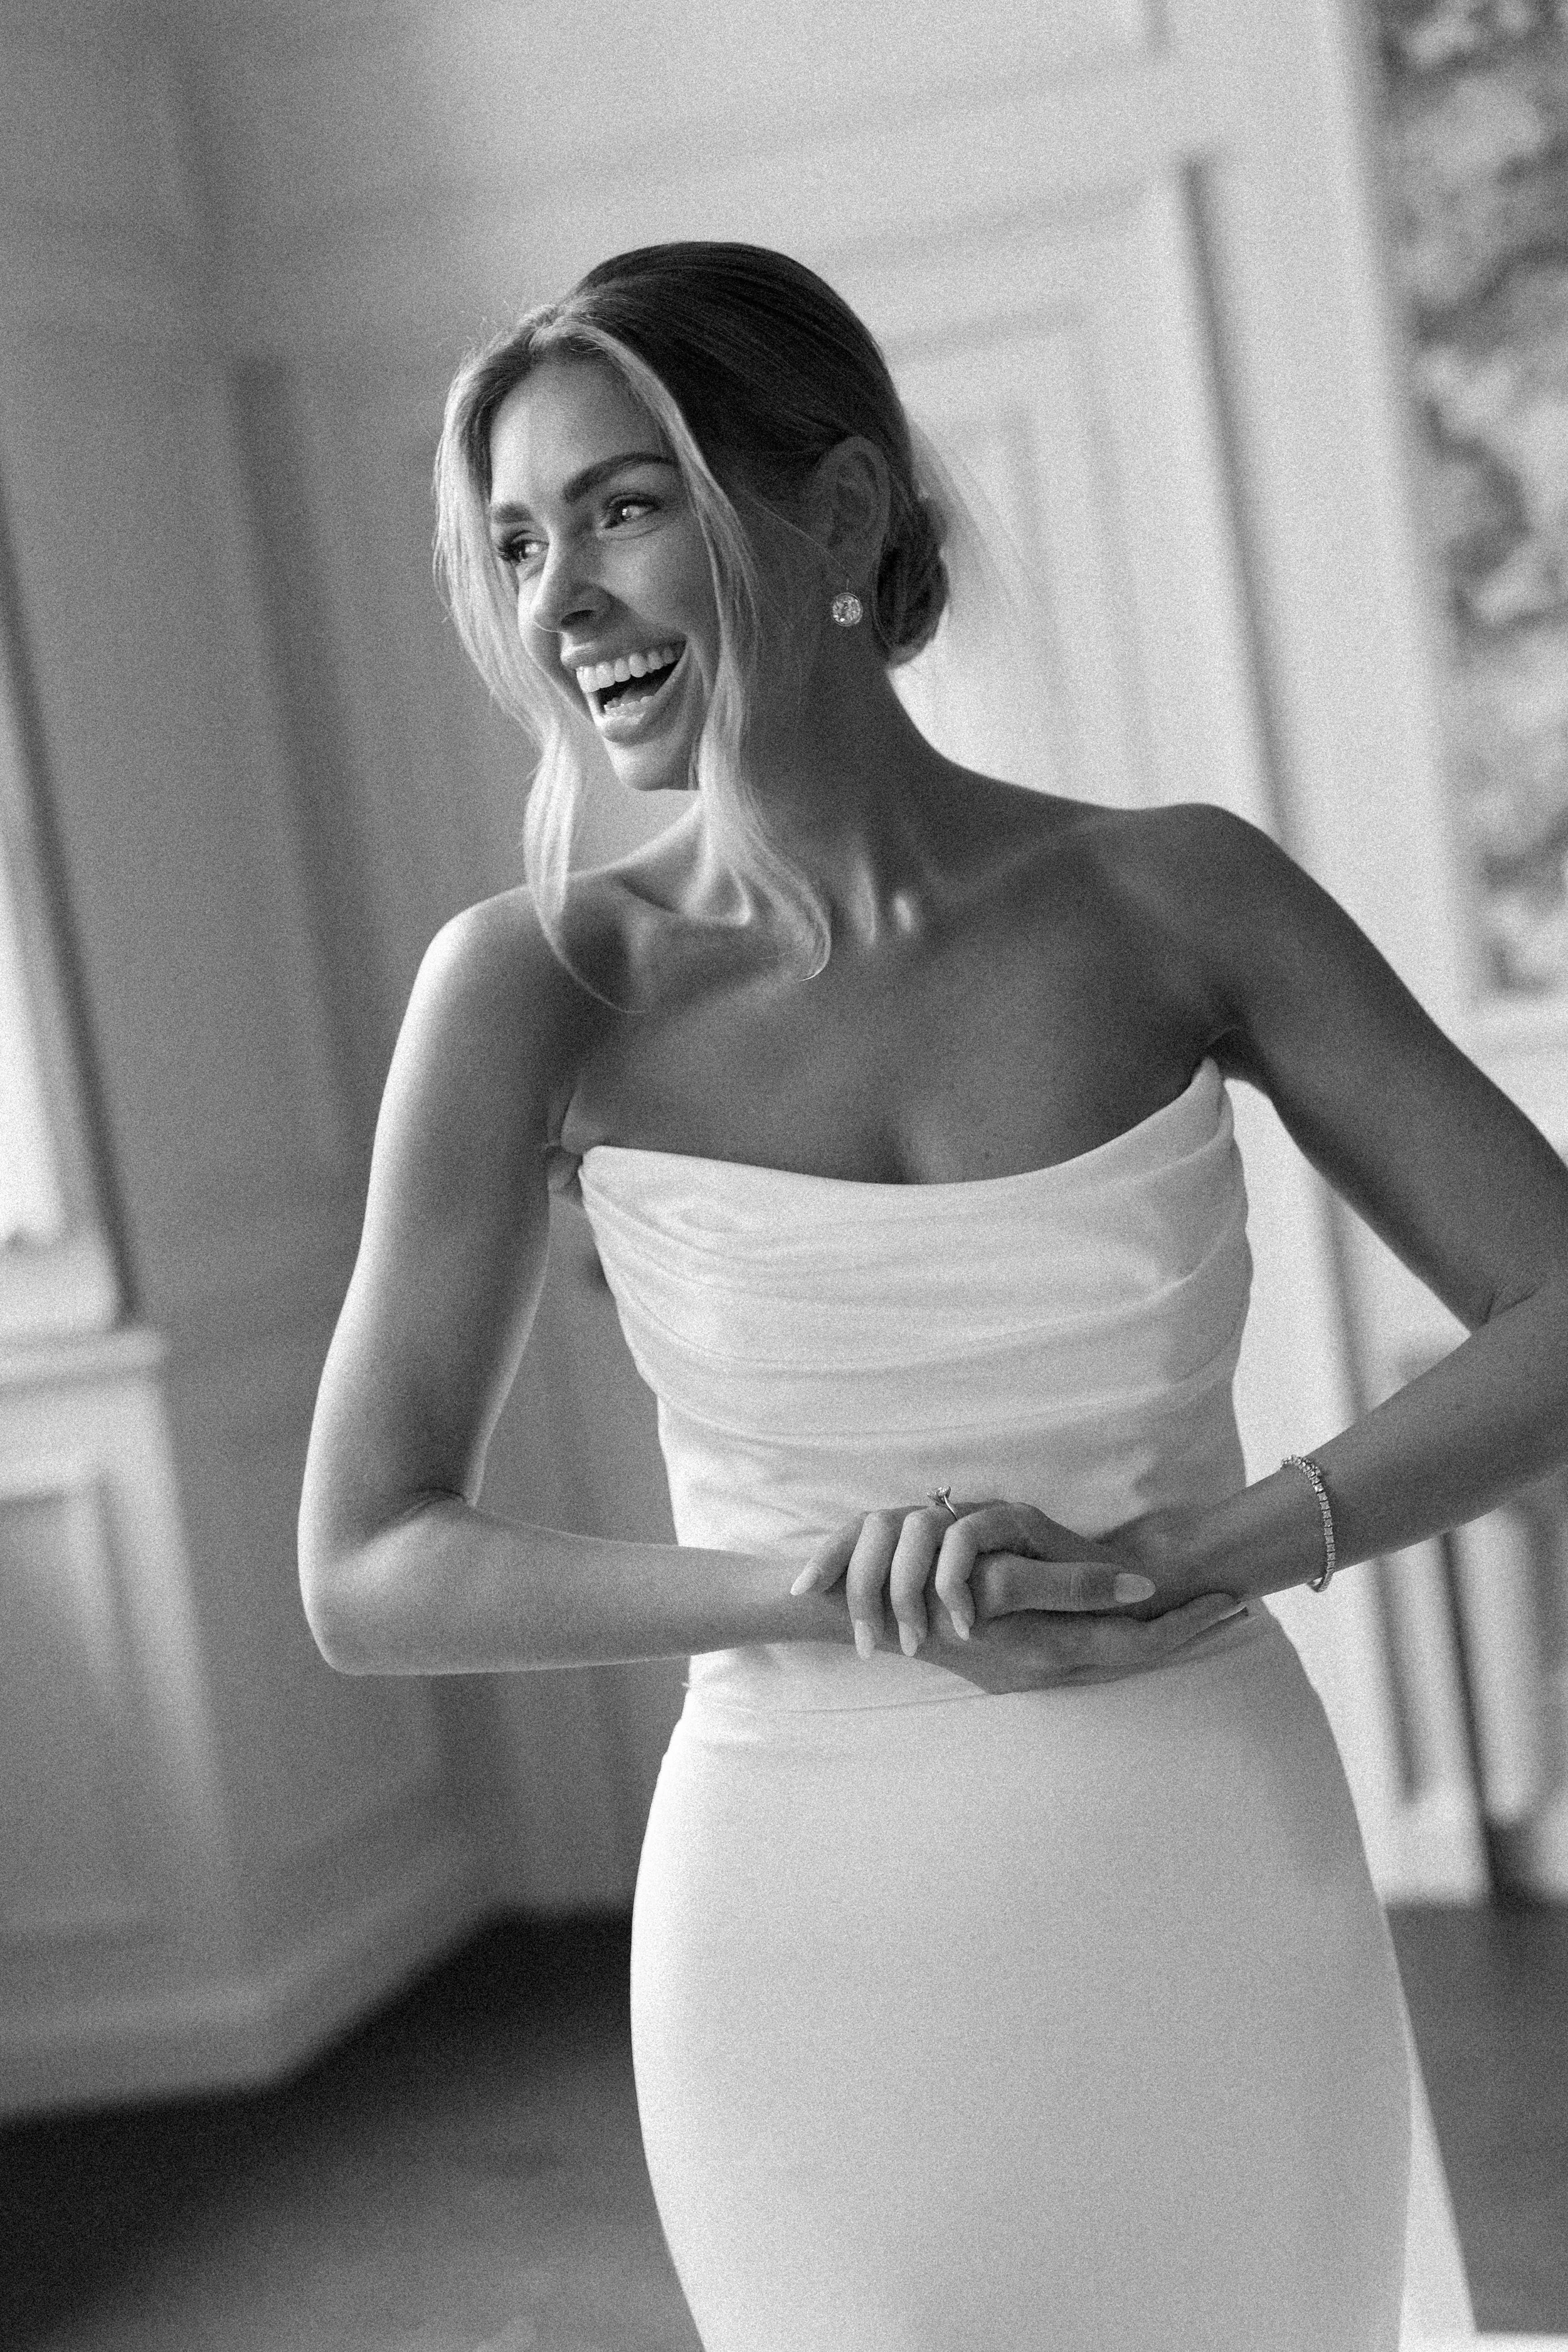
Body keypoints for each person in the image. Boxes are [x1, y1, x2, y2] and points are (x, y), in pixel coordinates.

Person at [297, 241, 1568, 2350]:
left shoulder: (1178, 893)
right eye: (515, 542)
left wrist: (1215, 1544)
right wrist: (816, 1587)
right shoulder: (527, 986)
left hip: (1199, 1852)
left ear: (842, 515)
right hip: (798, 1909)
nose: (559, 601)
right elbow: (366, 1567)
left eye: (619, 505)